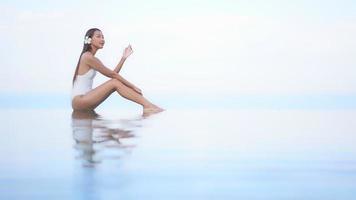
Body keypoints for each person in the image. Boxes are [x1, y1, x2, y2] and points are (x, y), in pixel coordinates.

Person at [71, 28, 165, 115]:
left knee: (114, 82)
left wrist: (123, 58)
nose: (102, 39)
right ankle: (148, 106)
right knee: (114, 82)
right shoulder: (87, 57)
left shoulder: (91, 58)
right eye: (98, 36)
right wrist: (133, 86)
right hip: (80, 100)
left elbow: (112, 74)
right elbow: (112, 75)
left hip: (84, 100)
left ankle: (148, 106)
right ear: (90, 40)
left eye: (103, 37)